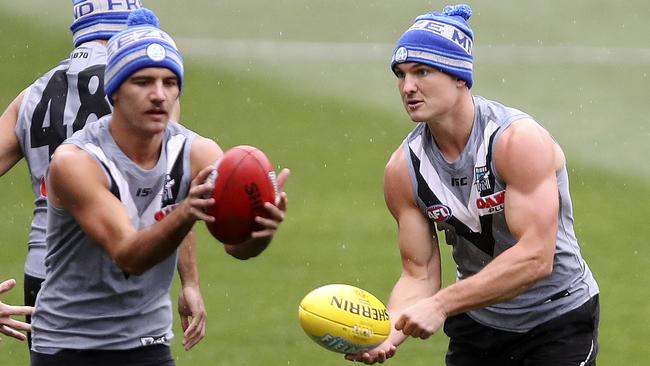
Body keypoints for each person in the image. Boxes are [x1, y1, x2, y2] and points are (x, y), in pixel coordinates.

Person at [30, 8, 289, 365]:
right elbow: (129, 255)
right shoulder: (76, 162)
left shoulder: (198, 152)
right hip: (70, 344)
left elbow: (237, 248)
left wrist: (261, 228)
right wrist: (185, 212)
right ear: (115, 91)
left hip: (147, 340)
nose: (159, 95)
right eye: (143, 82)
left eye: (169, 83)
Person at [345, 4, 599, 366]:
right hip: (477, 324)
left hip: (556, 319)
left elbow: (535, 258)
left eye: (422, 71)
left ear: (460, 77)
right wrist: (388, 331)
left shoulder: (517, 140)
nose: (408, 87)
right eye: (400, 75)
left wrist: (442, 304)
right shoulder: (403, 169)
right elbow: (418, 273)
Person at [0, 0, 206, 351]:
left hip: (45, 270)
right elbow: (171, 189)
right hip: (124, 270)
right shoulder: (140, 86)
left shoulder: (30, 95)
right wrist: (190, 282)